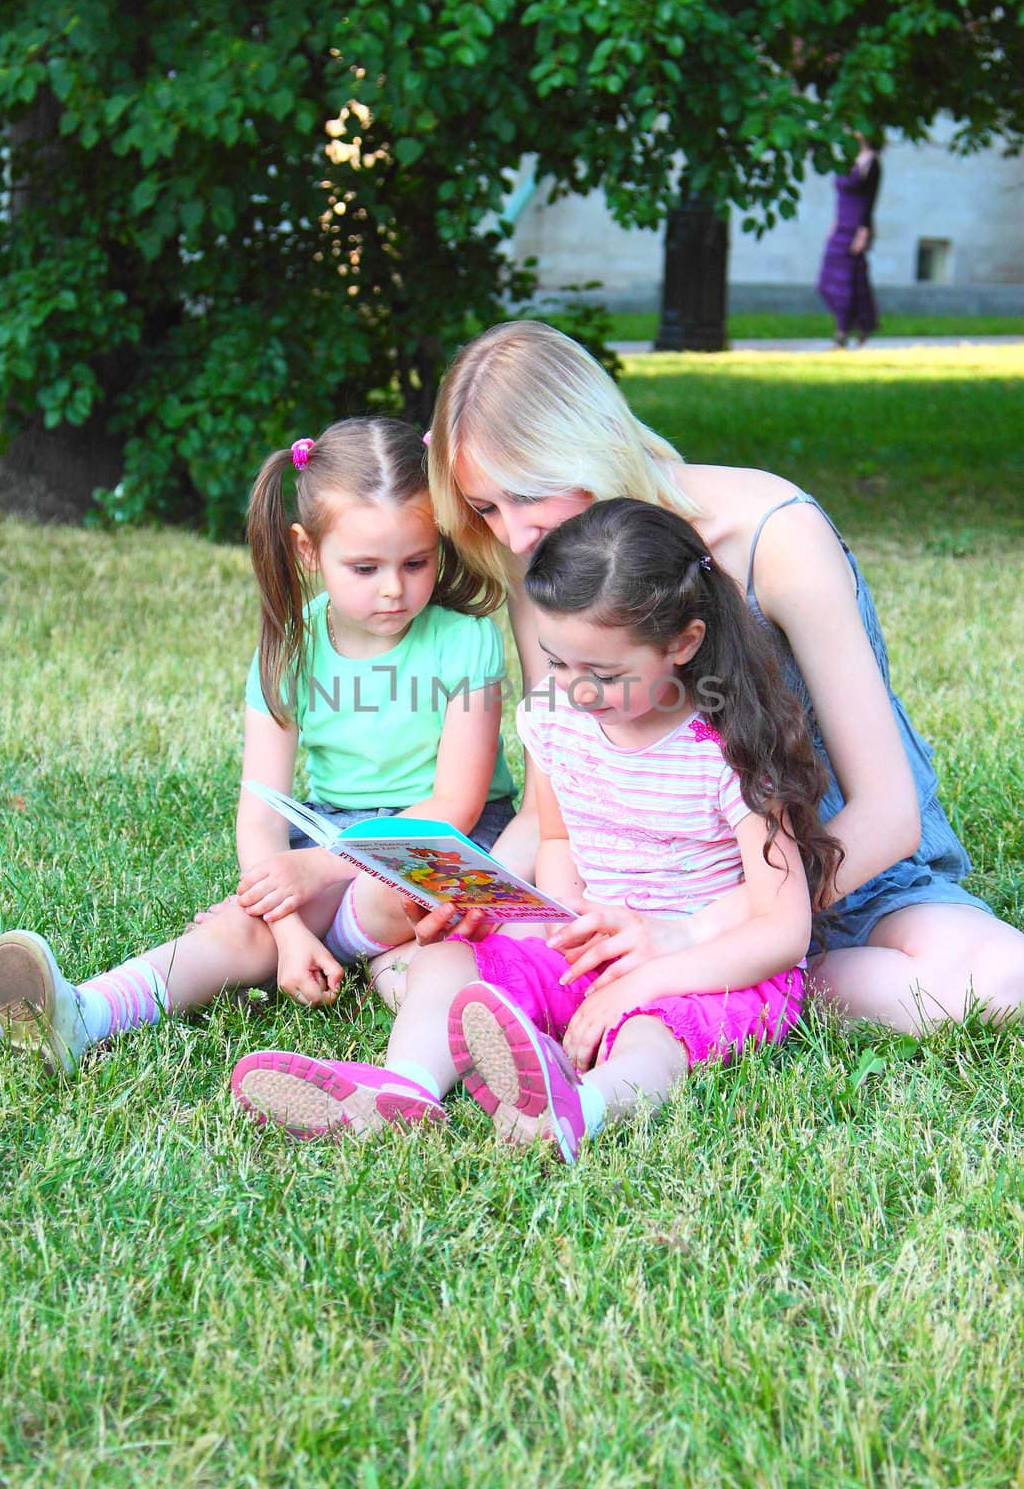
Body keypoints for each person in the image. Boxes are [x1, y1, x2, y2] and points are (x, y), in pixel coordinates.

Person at [408, 318, 1022, 1038]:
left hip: (830, 867)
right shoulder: (541, 561)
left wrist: (698, 933)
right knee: (431, 966)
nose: (513, 535)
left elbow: (887, 815)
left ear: (587, 449)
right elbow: (562, 794)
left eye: (526, 494)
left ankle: (728, 992)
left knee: (999, 977)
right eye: (486, 508)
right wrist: (493, 894)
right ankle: (678, 998)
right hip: (630, 888)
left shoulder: (772, 531)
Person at [230, 500, 845, 1159]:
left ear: (683, 644)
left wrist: (640, 982)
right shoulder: (557, 719)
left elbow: (782, 930)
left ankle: (578, 1110)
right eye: (558, 663)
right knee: (449, 956)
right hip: (593, 943)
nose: (576, 690)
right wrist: (556, 914)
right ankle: (405, 1089)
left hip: (707, 968)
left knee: (652, 1034)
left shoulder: (729, 749)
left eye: (604, 675)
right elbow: (556, 840)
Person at [0, 416, 515, 1073]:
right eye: (365, 566)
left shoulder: (468, 641)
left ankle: (377, 955)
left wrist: (317, 868)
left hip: (441, 843)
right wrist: (289, 930)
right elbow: (261, 814)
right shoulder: (290, 648)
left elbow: (454, 806)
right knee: (246, 924)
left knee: (399, 895)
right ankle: (85, 1014)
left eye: (416, 562)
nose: (391, 588)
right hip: (333, 834)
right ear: (307, 550)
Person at [818, 131, 882, 348]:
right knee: (827, 282)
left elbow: (870, 200)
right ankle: (862, 324)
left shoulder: (872, 162)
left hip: (856, 227)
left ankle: (842, 333)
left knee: (849, 282)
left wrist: (863, 233)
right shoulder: (847, 158)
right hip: (840, 225)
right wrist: (833, 225)